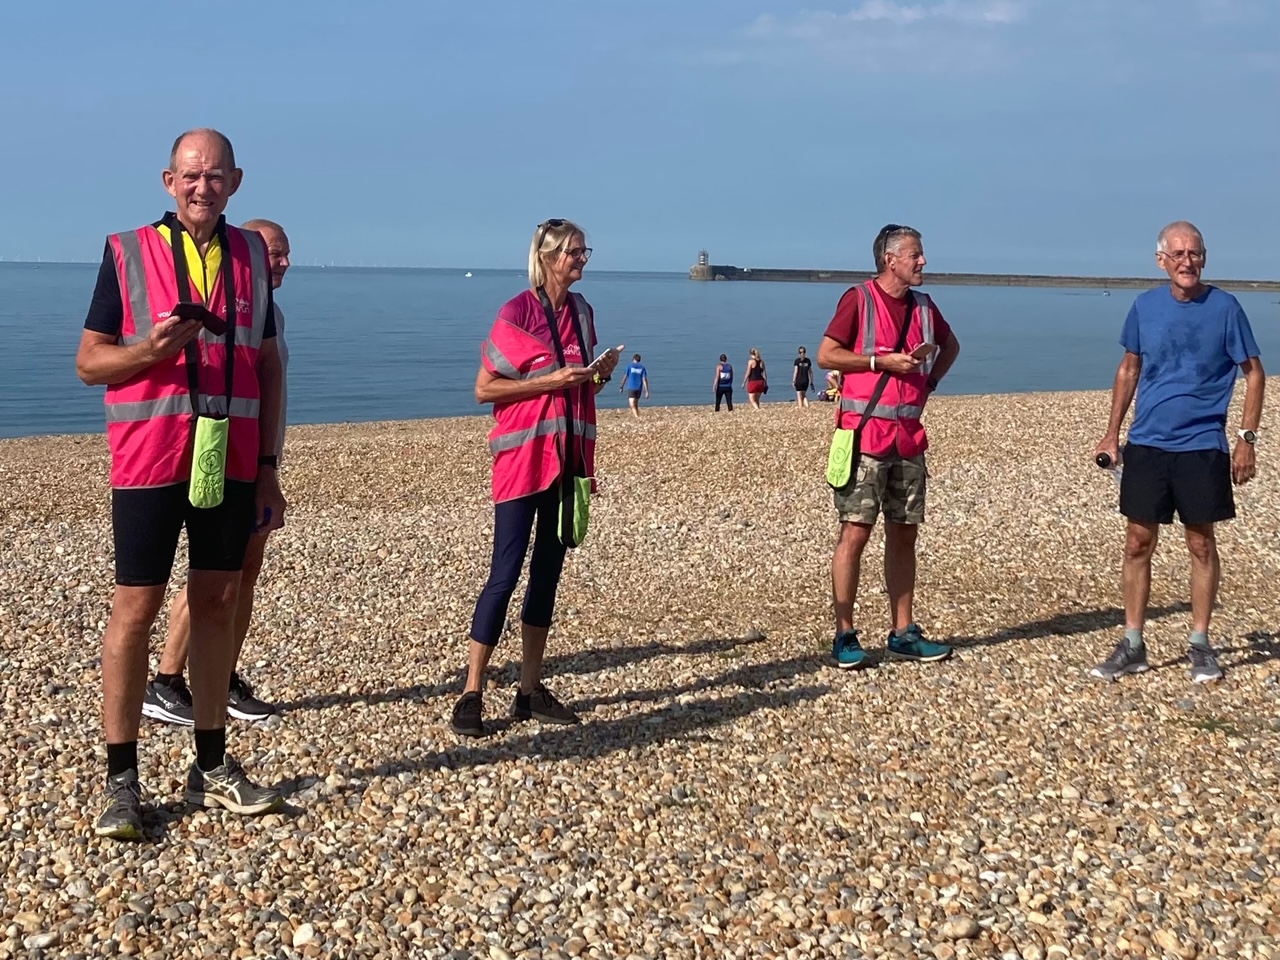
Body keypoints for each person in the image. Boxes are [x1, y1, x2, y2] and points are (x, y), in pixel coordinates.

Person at [75, 129, 286, 840]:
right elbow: (88, 365)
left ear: (236, 181)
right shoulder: (128, 251)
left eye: (216, 176)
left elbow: (264, 362)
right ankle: (121, 779)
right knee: (135, 608)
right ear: (169, 181)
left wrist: (268, 472)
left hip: (229, 454)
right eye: (191, 176)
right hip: (150, 454)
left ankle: (212, 765)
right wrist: (150, 350)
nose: (204, 187)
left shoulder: (254, 256)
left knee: (218, 600)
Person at [451, 219, 618, 738]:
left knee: (547, 573)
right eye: (574, 252)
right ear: (547, 257)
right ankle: (472, 691)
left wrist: (595, 375)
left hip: (568, 457)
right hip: (523, 460)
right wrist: (553, 380)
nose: (582, 260)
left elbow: (576, 379)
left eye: (585, 251)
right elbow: (484, 389)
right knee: (504, 573)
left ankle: (529, 688)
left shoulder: (583, 313)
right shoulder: (518, 312)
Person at [1091, 221, 1264, 684]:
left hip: (1202, 445)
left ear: (1204, 259)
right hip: (1147, 443)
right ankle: (1132, 643)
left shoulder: (1226, 307)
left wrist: (1246, 440)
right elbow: (1128, 370)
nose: (1188, 262)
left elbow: (1254, 375)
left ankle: (1201, 643)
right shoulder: (1144, 307)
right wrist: (1112, 434)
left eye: (1196, 254)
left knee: (1200, 543)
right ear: (1161, 260)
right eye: (1179, 254)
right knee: (1136, 543)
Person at [143, 219, 292, 727]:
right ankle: (168, 681)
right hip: (226, 457)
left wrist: (269, 464)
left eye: (285, 254)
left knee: (242, 573)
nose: (282, 263)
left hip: (257, 457)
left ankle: (221, 676)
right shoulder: (228, 311)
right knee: (216, 573)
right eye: (274, 253)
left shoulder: (267, 315)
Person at [816, 224, 960, 670]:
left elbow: (950, 345)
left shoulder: (923, 305)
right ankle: (844, 634)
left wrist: (928, 382)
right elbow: (826, 354)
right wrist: (879, 361)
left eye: (921, 254)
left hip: (909, 438)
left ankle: (903, 632)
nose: (923, 262)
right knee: (855, 532)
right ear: (889, 259)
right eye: (915, 255)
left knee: (904, 532)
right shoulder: (858, 299)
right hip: (864, 437)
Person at [621, 353, 649, 419]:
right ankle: (637, 415)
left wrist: (621, 386)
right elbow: (644, 380)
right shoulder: (642, 368)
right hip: (639, 388)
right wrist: (646, 391)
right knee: (635, 403)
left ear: (633, 359)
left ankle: (637, 417)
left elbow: (625, 377)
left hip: (631, 387)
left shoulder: (629, 366)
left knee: (632, 404)